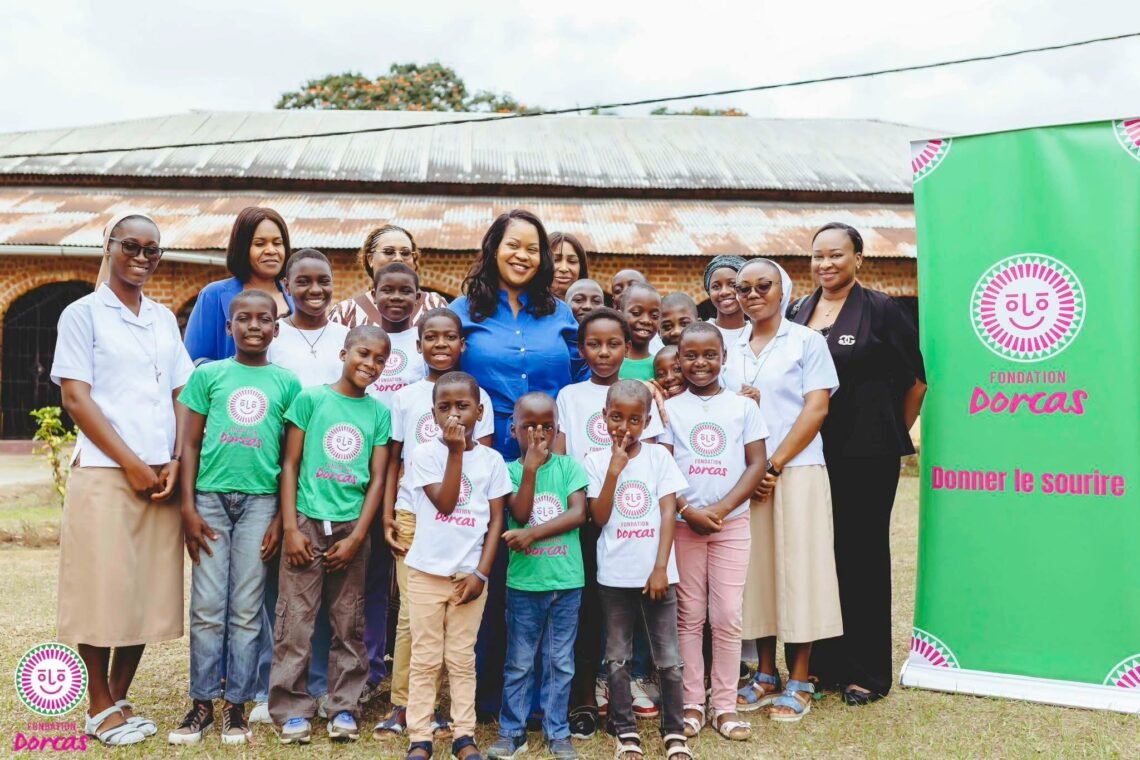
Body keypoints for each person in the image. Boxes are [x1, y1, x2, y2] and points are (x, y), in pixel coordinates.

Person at [52, 212, 195, 747]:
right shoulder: (82, 314)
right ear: (108, 246)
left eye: (152, 249)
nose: (141, 256)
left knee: (145, 590)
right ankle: (96, 702)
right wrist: (132, 461)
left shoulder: (161, 318)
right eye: (130, 246)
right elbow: (75, 398)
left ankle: (116, 696)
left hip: (161, 472)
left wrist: (177, 459)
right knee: (99, 588)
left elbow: (183, 392)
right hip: (107, 471)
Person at [450, 209, 586, 717]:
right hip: (485, 459)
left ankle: (549, 702)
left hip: (552, 462)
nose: (522, 255)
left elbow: (584, 378)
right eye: (513, 245)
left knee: (550, 573)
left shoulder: (559, 313)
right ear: (493, 248)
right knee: (493, 569)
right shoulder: (465, 311)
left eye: (533, 248)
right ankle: (489, 698)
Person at [789, 223, 926, 705]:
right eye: (818, 256)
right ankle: (822, 665)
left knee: (862, 556)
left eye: (836, 255)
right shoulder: (798, 311)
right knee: (819, 555)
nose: (826, 264)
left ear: (859, 259)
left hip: (868, 457)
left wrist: (889, 433)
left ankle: (866, 672)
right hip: (810, 456)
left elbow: (916, 381)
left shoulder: (883, 310)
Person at [171, 291, 301, 745]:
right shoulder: (208, 375)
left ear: (275, 329)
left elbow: (291, 459)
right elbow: (187, 445)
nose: (253, 326)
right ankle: (201, 704)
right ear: (229, 328)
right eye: (242, 319)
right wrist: (187, 507)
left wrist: (279, 520)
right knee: (207, 606)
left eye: (263, 319)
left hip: (261, 503)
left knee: (247, 609)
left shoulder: (288, 383)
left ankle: (237, 708)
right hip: (208, 500)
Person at [728, 258, 843, 721]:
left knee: (800, 570)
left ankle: (800, 677)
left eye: (763, 286)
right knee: (755, 572)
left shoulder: (807, 341)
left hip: (796, 470)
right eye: (744, 288)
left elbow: (816, 410)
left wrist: (773, 464)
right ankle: (764, 672)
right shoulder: (728, 344)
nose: (753, 294)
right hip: (745, 474)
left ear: (783, 291)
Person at [374, 308, 495, 740]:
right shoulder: (407, 397)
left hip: (462, 522)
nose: (441, 345)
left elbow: (484, 474)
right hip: (412, 513)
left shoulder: (478, 398)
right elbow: (393, 460)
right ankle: (405, 706)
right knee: (413, 614)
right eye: (431, 337)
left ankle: (446, 711)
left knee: (455, 623)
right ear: (418, 344)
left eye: (450, 337)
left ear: (463, 345)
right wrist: (388, 512)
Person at [269, 326, 392, 744]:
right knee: (296, 621)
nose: (370, 365)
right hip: (305, 521)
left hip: (350, 529)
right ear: (343, 352)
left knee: (349, 620)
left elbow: (377, 480)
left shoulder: (379, 413)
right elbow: (290, 464)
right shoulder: (311, 400)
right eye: (363, 354)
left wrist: (358, 537)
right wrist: (289, 527)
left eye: (380, 359)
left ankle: (344, 707)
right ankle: (291, 710)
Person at [554, 308, 665, 736]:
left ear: (628, 346)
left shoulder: (642, 394)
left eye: (613, 344)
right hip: (587, 515)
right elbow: (563, 461)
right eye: (594, 344)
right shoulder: (570, 395)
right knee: (586, 609)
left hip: (632, 519)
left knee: (628, 606)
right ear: (581, 349)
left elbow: (652, 460)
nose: (603, 353)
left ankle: (621, 682)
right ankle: (584, 692)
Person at [659, 322, 767, 740]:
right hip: (685, 526)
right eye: (690, 356)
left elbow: (757, 462)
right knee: (688, 616)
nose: (700, 363)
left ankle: (724, 705)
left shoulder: (743, 407)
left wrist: (720, 508)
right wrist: (688, 509)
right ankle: (690, 704)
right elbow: (662, 467)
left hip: (731, 524)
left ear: (724, 356)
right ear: (679, 359)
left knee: (726, 616)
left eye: (709, 355)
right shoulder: (671, 408)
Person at [255, 249, 345, 725]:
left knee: (332, 592)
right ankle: (274, 686)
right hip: (281, 474)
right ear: (285, 285)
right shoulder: (274, 336)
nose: (315, 290)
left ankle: (324, 687)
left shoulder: (347, 339)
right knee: (284, 590)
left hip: (335, 484)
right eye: (303, 281)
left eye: (324, 281)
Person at [403, 372, 513, 760]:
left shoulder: (493, 461)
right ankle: (420, 736)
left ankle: (463, 735)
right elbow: (446, 503)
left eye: (463, 406)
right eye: (444, 407)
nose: (454, 414)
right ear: (432, 414)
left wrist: (482, 573)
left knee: (462, 658)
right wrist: (454, 452)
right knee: (426, 657)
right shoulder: (424, 455)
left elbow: (497, 520)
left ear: (480, 412)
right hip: (426, 573)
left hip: (468, 576)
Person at [584, 381, 691, 760]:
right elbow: (598, 517)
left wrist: (661, 567)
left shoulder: (659, 457)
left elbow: (667, 513)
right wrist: (614, 471)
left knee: (669, 659)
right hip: (615, 576)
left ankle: (674, 732)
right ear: (604, 417)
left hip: (657, 575)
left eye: (634, 419)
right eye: (617, 417)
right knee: (617, 657)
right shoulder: (595, 461)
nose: (624, 427)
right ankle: (625, 730)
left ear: (647, 421)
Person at [488, 392, 588, 760]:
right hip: (524, 586)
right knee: (518, 661)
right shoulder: (509, 471)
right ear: (512, 429)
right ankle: (511, 731)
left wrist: (532, 534)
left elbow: (579, 513)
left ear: (557, 430)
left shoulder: (569, 468)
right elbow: (519, 511)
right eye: (529, 426)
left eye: (547, 426)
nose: (538, 434)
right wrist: (529, 468)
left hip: (566, 583)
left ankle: (557, 731)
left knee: (560, 661)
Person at [184, 207, 295, 362]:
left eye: (277, 243)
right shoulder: (214, 295)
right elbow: (193, 361)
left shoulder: (296, 297)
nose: (271, 250)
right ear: (243, 248)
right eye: (259, 244)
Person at [330, 224, 449, 329]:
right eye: (388, 252)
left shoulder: (434, 305)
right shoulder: (345, 313)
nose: (398, 258)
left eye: (405, 253)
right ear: (370, 259)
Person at [366, 262, 427, 407]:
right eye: (387, 290)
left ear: (417, 298)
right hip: (372, 427)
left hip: (411, 427)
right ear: (374, 295)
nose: (396, 297)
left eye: (405, 291)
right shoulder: (363, 341)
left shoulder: (424, 342)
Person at [618, 282, 663, 381]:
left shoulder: (661, 367)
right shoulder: (610, 364)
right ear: (620, 316)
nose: (646, 321)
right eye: (636, 313)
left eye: (654, 316)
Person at [703, 256, 749, 346]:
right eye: (716, 286)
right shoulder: (699, 334)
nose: (724, 292)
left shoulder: (758, 334)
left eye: (732, 284)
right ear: (709, 292)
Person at [549, 232, 591, 300]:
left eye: (572, 261)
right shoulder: (527, 306)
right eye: (555, 260)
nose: (564, 268)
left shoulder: (590, 308)